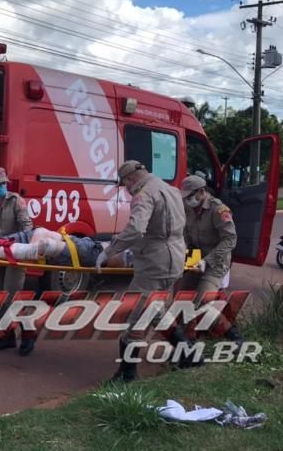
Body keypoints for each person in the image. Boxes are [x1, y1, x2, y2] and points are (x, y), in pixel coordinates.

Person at [95, 160, 187, 382]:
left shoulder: (144, 194)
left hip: (155, 263)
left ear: (130, 179)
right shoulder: (170, 189)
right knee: (155, 310)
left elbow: (136, 228)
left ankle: (127, 376)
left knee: (133, 315)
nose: (126, 188)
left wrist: (110, 251)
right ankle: (189, 354)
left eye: (125, 183)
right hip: (174, 258)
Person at [176, 175, 242, 342]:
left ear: (202, 192)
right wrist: (188, 256)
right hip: (196, 257)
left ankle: (233, 334)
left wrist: (207, 261)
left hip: (216, 261)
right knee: (181, 297)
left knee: (203, 301)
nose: (187, 200)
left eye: (190, 196)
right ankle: (184, 338)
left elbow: (230, 239)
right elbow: (186, 232)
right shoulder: (188, 207)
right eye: (185, 197)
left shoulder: (218, 210)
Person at [0, 167, 35, 354]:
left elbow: (27, 226)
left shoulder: (16, 201)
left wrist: (15, 243)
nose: (2, 187)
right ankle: (8, 336)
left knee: (12, 297)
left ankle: (28, 334)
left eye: (4, 184)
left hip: (15, 254)